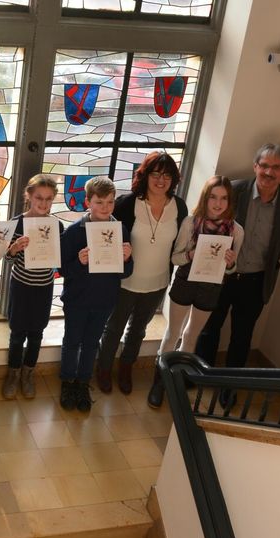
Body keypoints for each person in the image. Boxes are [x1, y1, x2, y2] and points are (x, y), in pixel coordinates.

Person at [194, 144, 280, 407]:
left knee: (242, 336)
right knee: (209, 328)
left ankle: (229, 386)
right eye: (264, 165)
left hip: (256, 281)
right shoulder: (234, 190)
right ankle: (200, 376)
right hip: (221, 275)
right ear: (255, 166)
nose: (269, 172)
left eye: (276, 167)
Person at [95, 152, 188, 395]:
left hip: (158, 282)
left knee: (138, 330)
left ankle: (126, 367)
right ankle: (104, 368)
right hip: (126, 281)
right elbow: (109, 239)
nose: (161, 180)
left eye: (167, 175)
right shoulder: (128, 203)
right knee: (114, 328)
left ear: (173, 179)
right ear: (145, 176)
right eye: (155, 174)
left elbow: (181, 244)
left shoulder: (179, 206)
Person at [149, 176, 243, 408]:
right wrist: (191, 254)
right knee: (173, 333)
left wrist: (230, 263)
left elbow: (232, 270)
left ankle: (177, 381)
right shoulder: (191, 223)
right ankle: (159, 382)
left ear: (229, 201)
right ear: (205, 198)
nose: (218, 204)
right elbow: (175, 257)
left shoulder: (236, 230)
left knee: (191, 336)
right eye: (213, 197)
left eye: (223, 198)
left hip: (211, 287)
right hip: (185, 281)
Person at [58, 177, 133, 412]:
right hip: (77, 300)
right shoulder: (73, 233)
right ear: (88, 202)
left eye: (110, 202)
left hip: (104, 300)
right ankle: (68, 382)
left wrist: (127, 259)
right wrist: (79, 262)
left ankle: (82, 383)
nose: (105, 208)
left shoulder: (119, 230)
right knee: (72, 342)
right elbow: (62, 270)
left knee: (91, 344)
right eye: (99, 202)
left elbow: (126, 273)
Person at [2, 174, 63, 400]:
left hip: (44, 288)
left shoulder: (57, 225)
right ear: (29, 195)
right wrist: (14, 249)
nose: (43, 203)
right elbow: (6, 260)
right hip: (21, 286)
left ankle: (28, 373)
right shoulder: (17, 223)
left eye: (48, 199)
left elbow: (60, 262)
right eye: (39, 198)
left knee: (37, 333)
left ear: (53, 199)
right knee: (17, 333)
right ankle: (13, 374)